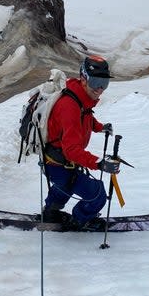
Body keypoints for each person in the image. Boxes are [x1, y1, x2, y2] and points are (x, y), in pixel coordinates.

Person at [41, 55, 121, 230]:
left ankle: (50, 213)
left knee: (66, 185)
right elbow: (71, 150)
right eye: (96, 82)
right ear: (83, 79)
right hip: (60, 162)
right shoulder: (69, 106)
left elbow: (85, 118)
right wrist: (99, 164)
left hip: (54, 161)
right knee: (98, 194)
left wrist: (100, 127)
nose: (100, 89)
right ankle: (79, 220)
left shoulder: (79, 98)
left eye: (104, 83)